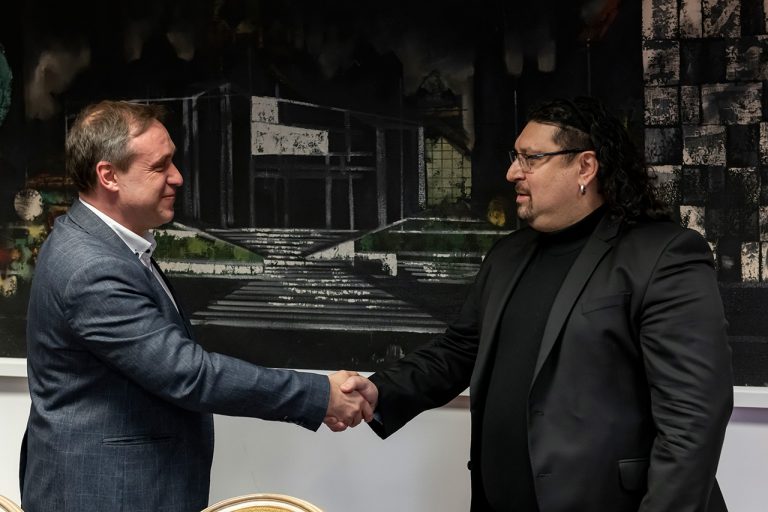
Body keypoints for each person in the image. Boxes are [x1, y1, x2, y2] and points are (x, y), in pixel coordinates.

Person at [339, 97, 734, 511]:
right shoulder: (508, 255)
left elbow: (693, 421)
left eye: (531, 158)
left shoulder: (664, 256)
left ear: (585, 167)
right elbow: (459, 351)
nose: (513, 172)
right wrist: (378, 391)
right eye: (516, 157)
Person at [20, 100, 373, 512]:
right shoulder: (91, 266)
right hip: (105, 494)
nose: (177, 177)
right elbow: (188, 375)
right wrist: (320, 395)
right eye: (160, 166)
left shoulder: (101, 243)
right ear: (109, 175)